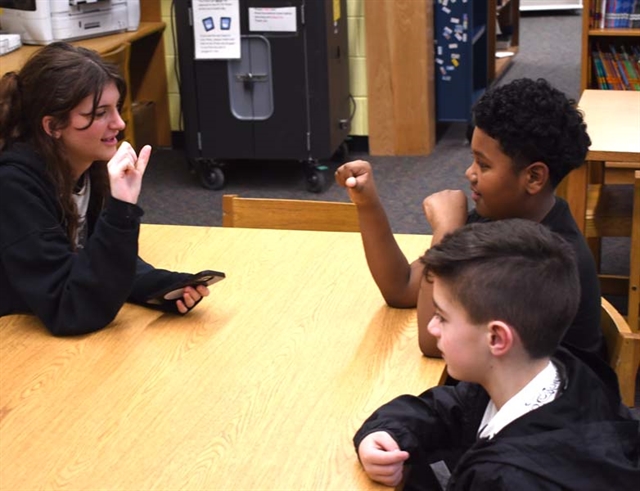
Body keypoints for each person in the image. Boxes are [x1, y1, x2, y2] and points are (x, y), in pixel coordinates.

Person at [353, 219, 639, 491]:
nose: (431, 327)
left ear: (496, 338)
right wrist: (388, 432)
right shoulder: (557, 372)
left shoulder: (505, 480)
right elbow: (450, 408)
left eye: (442, 316)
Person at [335, 78, 603, 363]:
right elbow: (402, 288)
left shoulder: (544, 261)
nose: (469, 173)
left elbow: (435, 342)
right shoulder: (502, 218)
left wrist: (446, 233)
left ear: (534, 177)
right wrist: (367, 203)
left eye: (483, 165)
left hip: (540, 406)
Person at [0, 42, 210, 336]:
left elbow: (94, 259)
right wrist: (122, 210)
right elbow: (70, 309)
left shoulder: (87, 165)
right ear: (52, 126)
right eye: (100, 114)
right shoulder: (14, 187)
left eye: (117, 109)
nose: (120, 123)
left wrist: (160, 287)